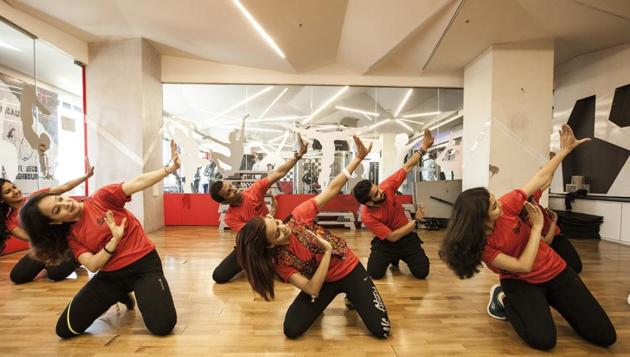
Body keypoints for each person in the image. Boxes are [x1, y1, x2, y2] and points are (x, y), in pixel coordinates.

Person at [440, 124, 616, 350]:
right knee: (543, 340)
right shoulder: (483, 245)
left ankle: (548, 300)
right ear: (481, 219)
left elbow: (540, 176)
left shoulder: (507, 204)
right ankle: (503, 299)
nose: (499, 204)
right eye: (493, 206)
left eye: (494, 199)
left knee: (605, 337)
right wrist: (536, 228)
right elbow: (523, 266)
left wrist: (565, 151)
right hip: (521, 282)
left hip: (556, 272)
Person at [19, 141, 181, 338]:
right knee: (65, 329)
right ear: (53, 222)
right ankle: (119, 294)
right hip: (111, 277)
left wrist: (168, 169)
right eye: (57, 210)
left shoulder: (100, 198)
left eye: (60, 199)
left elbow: (136, 183)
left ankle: (136, 290)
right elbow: (93, 265)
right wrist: (114, 241)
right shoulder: (71, 236)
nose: (66, 203)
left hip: (144, 266)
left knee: (162, 326)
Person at [236, 136, 390, 339]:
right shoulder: (280, 262)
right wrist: (326, 252)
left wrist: (358, 158)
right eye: (277, 233)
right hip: (322, 282)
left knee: (382, 331)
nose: (284, 228)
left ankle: (353, 295)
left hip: (349, 268)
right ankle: (337, 299)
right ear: (269, 246)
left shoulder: (299, 216)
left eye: (279, 223)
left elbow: (332, 189)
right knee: (291, 329)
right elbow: (312, 288)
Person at [487, 161, 583, 320]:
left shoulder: (531, 198)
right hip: (544, 240)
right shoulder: (524, 219)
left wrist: (555, 161)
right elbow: (545, 242)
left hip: (554, 238)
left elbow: (544, 179)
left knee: (575, 267)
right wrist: (552, 223)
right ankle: (506, 297)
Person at [209, 135, 307, 283]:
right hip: (251, 247)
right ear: (224, 201)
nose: (234, 190)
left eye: (231, 186)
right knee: (219, 276)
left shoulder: (255, 190)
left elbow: (279, 172)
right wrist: (271, 214)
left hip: (273, 240)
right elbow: (256, 235)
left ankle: (271, 260)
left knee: (286, 274)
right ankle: (259, 262)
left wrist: (297, 157)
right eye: (228, 193)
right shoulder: (230, 218)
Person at [351, 128, 434, 280]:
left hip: (407, 238)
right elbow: (392, 237)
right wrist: (417, 220)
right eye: (376, 194)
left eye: (377, 188)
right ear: (369, 202)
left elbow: (407, 166)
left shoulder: (387, 187)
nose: (381, 192)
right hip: (387, 242)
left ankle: (399, 258)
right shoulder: (367, 216)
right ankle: (393, 258)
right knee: (374, 274)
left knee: (422, 273)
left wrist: (423, 148)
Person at [1, 162, 93, 284]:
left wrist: (86, 176)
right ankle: (52, 261)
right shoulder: (9, 221)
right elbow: (32, 238)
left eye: (13, 187)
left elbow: (64, 187)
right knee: (17, 277)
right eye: (8, 192)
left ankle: (77, 257)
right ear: (2, 199)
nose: (15, 191)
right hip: (46, 245)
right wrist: (47, 253)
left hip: (68, 242)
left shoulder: (36, 198)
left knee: (55, 274)